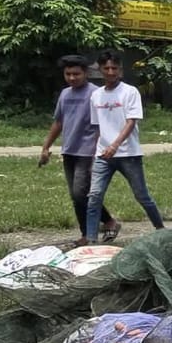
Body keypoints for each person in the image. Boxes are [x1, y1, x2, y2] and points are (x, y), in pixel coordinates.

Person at [86, 51, 165, 244]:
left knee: (141, 195)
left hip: (128, 153)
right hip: (103, 155)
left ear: (120, 71)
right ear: (101, 70)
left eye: (114, 68)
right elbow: (97, 126)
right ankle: (90, 240)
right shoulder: (96, 96)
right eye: (106, 68)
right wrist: (95, 152)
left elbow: (131, 122)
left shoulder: (130, 92)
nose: (110, 72)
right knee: (94, 196)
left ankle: (161, 230)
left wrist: (115, 145)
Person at [39, 54, 118, 244]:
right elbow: (58, 122)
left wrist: (98, 152)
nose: (72, 78)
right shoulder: (65, 94)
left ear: (86, 73)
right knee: (77, 196)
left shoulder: (96, 94)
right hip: (69, 151)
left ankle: (95, 229)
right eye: (68, 74)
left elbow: (102, 125)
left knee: (79, 193)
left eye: (76, 74)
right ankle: (102, 224)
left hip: (88, 151)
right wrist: (46, 146)